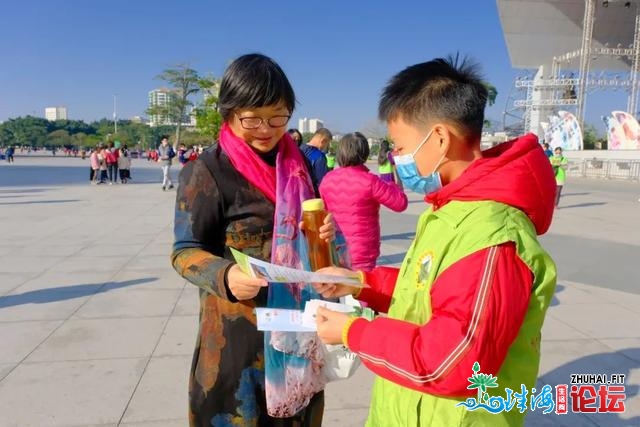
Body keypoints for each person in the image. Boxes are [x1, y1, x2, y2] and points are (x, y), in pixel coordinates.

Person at [313, 56, 558, 427]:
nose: (396, 159)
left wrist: (353, 332)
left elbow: (451, 361)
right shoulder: (451, 209)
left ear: (440, 139)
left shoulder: (492, 237)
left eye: (399, 146)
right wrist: (360, 283)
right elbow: (426, 292)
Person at [171, 53, 341, 427]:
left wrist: (328, 239)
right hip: (238, 342)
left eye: (277, 116)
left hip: (297, 335)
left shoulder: (301, 167)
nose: (266, 128)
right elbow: (184, 251)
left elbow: (318, 251)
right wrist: (225, 275)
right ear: (229, 114)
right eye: (252, 118)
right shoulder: (207, 172)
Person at [320, 132, 407, 271]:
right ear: (365, 153)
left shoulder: (327, 179)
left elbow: (322, 212)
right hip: (362, 253)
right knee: (359, 289)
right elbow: (400, 203)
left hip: (334, 248)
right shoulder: (370, 181)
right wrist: (395, 181)